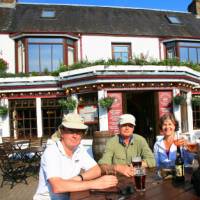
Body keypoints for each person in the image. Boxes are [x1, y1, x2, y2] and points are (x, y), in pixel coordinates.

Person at [33, 113, 118, 200]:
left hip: (71, 196)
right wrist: (95, 183)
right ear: (61, 132)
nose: (75, 136)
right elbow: (58, 187)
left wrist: (79, 178)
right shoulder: (52, 152)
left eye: (79, 131)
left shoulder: (79, 149)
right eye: (71, 131)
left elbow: (96, 170)